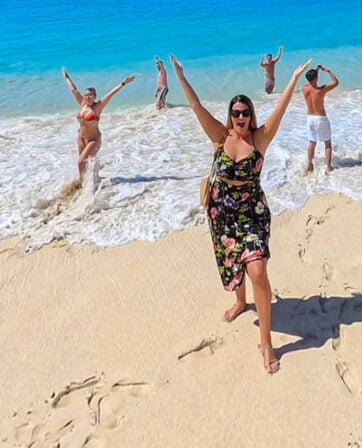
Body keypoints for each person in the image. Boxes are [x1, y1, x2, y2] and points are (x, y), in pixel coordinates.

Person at [170, 53, 312, 375]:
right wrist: (180, 77)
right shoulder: (219, 138)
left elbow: (282, 109)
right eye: (235, 113)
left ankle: (266, 344)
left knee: (258, 270)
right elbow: (196, 108)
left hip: (251, 214)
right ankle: (241, 301)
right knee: (234, 264)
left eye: (246, 112)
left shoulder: (260, 139)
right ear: (230, 115)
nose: (240, 117)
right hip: (221, 215)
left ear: (251, 114)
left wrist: (292, 78)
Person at [62, 68, 136, 178]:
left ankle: (84, 187)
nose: (88, 97)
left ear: (95, 96)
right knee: (84, 165)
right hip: (81, 139)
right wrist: (67, 77)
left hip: (93, 140)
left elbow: (111, 94)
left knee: (81, 162)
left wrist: (124, 83)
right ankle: (89, 182)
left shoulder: (98, 107)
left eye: (90, 95)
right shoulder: (82, 103)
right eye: (86, 95)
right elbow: (73, 89)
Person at [302, 64, 339, 173]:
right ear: (316, 78)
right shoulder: (321, 90)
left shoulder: (304, 89)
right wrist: (328, 71)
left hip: (310, 118)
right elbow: (336, 82)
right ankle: (328, 167)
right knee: (327, 143)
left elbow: (312, 81)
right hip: (321, 119)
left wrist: (316, 70)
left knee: (312, 142)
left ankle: (310, 164)